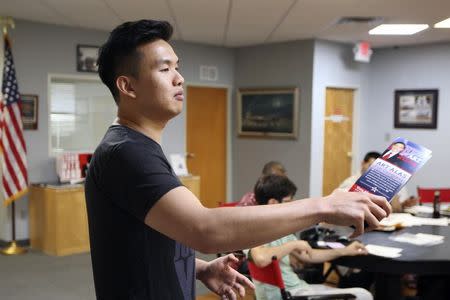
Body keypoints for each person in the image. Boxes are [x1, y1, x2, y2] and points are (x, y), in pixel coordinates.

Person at [85, 19, 391, 300]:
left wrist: (199, 269)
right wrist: (324, 206)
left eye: (177, 67)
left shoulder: (138, 148)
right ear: (128, 86)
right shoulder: (126, 153)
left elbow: (141, 244)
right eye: (164, 69)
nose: (179, 79)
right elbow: (205, 229)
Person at [246, 175, 373, 300]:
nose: (290, 206)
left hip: (297, 290)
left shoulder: (279, 228)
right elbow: (261, 259)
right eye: (287, 202)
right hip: (290, 294)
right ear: (273, 202)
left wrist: (345, 251)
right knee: (363, 295)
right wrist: (293, 245)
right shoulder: (254, 229)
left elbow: (309, 255)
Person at [338, 151, 417, 212]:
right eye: (370, 166)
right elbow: (341, 207)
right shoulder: (350, 183)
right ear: (362, 163)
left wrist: (403, 205)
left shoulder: (381, 182)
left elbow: (395, 208)